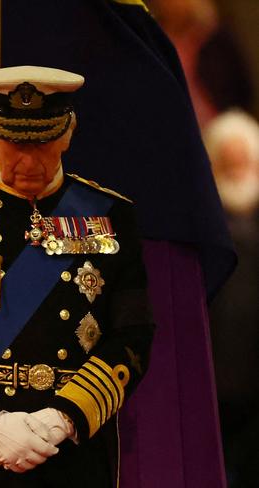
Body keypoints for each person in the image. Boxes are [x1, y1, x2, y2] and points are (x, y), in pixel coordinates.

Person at [0, 66, 155, 487]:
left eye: (43, 143)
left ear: (68, 132)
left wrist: (66, 416)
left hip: (72, 445)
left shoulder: (110, 214)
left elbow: (132, 337)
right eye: (14, 142)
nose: (29, 160)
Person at [204, 109, 259, 487]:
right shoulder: (206, 220)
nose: (237, 167)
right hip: (217, 362)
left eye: (244, 158)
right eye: (229, 159)